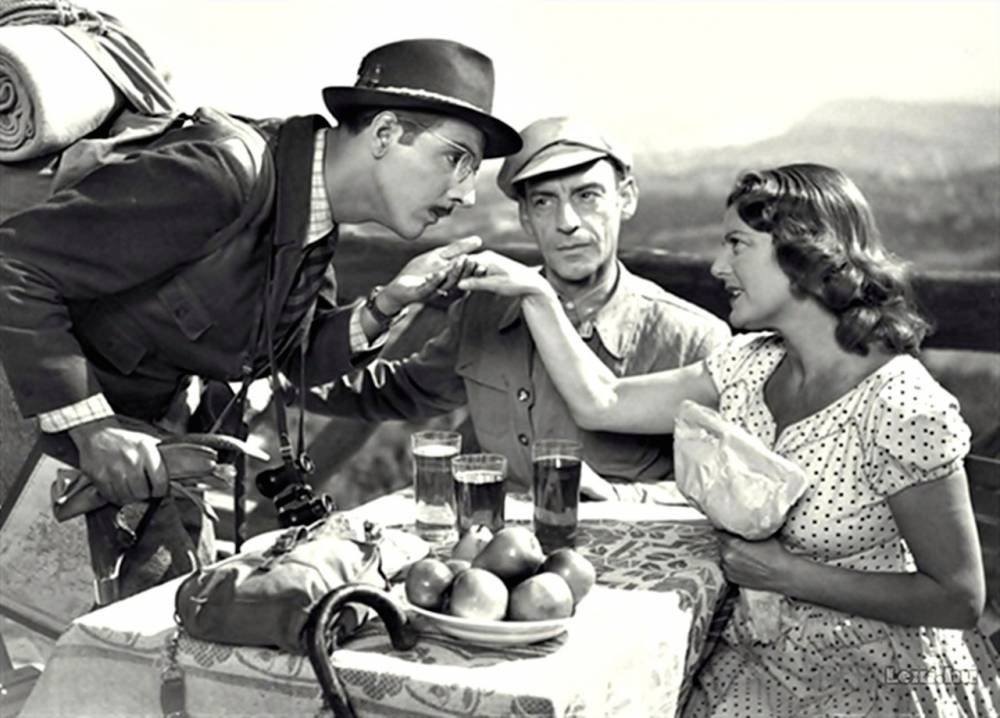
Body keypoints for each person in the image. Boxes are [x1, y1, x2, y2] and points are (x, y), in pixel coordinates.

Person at [457, 164, 1000, 715]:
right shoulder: (748, 362)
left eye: (737, 244)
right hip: (755, 658)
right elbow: (602, 401)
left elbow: (958, 597)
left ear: (805, 256)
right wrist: (536, 294)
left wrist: (787, 574)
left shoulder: (902, 405)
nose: (719, 266)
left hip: (874, 677)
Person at [0, 38, 521, 597]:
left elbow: (289, 357)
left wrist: (389, 302)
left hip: (140, 448)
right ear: (386, 133)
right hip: (34, 428)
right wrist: (92, 428)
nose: (467, 193)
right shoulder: (224, 171)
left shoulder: (312, 220)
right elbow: (14, 267)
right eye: (457, 158)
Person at [307, 116, 730, 496]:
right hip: (485, 550)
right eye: (544, 202)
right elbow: (398, 392)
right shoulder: (487, 309)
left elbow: (721, 488)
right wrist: (280, 380)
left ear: (626, 198)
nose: (567, 222)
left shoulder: (692, 339)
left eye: (587, 196)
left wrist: (625, 498)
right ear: (525, 217)